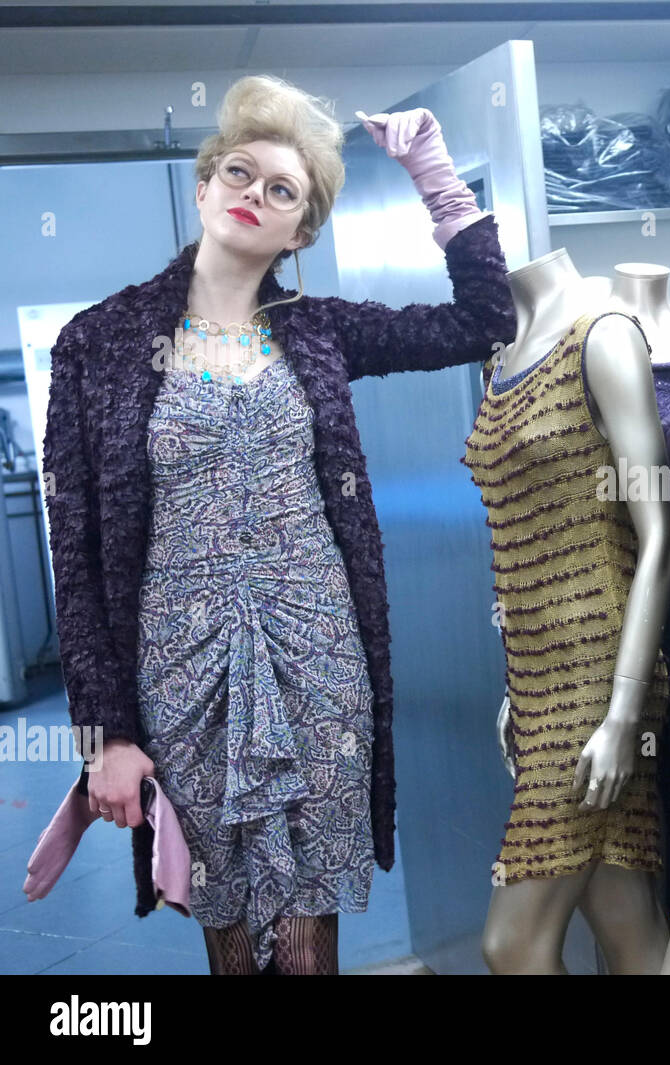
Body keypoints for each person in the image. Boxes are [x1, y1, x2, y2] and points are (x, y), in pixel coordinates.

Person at [41, 74, 514, 974]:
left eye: (281, 189)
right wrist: (105, 734)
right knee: (229, 930)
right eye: (239, 173)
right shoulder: (96, 342)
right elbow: (78, 553)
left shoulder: (319, 332)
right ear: (205, 186)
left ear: (300, 231)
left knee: (305, 943)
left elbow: (485, 319)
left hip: (319, 664)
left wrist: (434, 174)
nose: (253, 194)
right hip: (181, 675)